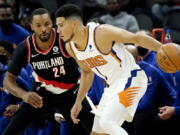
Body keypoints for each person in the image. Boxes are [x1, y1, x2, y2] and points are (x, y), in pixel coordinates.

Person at [55, 4, 163, 135]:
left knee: (107, 122)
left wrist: (163, 49)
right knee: (97, 131)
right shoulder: (71, 47)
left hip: (132, 78)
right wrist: (78, 102)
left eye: (61, 25)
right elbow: (87, 72)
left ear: (74, 23)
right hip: (112, 86)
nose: (57, 30)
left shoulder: (101, 33)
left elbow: (137, 38)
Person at [2, 8, 94, 135]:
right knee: (11, 130)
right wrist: (24, 95)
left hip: (70, 94)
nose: (43, 29)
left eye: (46, 24)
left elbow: (87, 68)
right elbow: (8, 81)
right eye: (38, 25)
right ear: (32, 26)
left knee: (95, 128)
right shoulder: (25, 48)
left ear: (53, 24)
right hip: (41, 94)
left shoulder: (65, 40)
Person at [125, 45, 176, 135]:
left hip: (166, 105)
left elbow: (146, 104)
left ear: (137, 58)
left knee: (139, 116)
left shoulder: (149, 71)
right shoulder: (123, 73)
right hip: (149, 104)